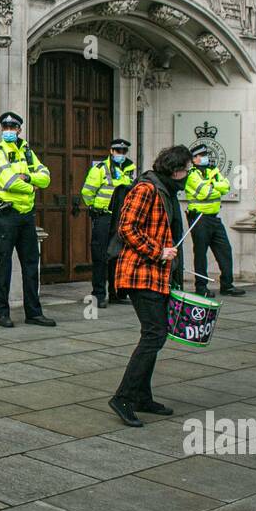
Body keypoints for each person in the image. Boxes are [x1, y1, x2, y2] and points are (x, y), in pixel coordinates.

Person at [107, 144, 192, 427]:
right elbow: (127, 227)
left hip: (156, 274)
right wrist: (159, 252)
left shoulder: (165, 190)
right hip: (139, 272)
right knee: (154, 334)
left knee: (157, 333)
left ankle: (142, 395)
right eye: (187, 170)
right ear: (176, 169)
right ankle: (123, 396)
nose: (188, 175)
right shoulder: (146, 189)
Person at [0, 111, 55, 328]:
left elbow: (46, 176)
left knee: (31, 266)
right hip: (6, 215)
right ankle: (2, 313)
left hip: (26, 217)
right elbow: (8, 182)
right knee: (4, 265)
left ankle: (33, 313)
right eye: (5, 128)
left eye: (12, 128)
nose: (8, 131)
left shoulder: (27, 152)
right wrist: (31, 187)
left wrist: (30, 178)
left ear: (19, 130)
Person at [183, 143, 246, 298]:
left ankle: (227, 284)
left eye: (205, 155)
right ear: (194, 159)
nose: (205, 158)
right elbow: (205, 193)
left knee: (225, 250)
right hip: (199, 218)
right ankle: (201, 287)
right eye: (201, 156)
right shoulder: (191, 175)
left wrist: (213, 185)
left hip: (214, 218)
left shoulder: (213, 171)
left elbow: (226, 187)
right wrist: (214, 186)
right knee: (200, 253)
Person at [80, 137, 136, 308]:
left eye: (124, 152)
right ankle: (98, 294)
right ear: (111, 151)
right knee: (100, 256)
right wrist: (95, 208)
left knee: (118, 256)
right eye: (118, 151)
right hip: (104, 217)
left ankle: (116, 293)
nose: (121, 154)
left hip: (121, 218)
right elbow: (87, 192)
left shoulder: (129, 169)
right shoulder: (100, 169)